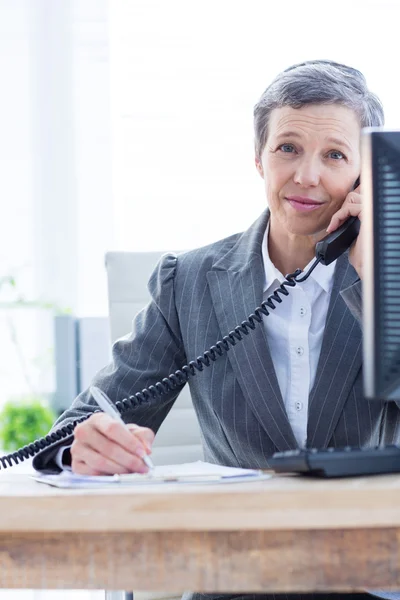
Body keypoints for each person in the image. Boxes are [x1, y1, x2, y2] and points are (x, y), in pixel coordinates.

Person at [33, 60, 399, 600]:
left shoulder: (388, 280)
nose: (307, 176)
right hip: (235, 575)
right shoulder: (189, 281)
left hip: (368, 572)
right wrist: (83, 449)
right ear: (259, 159)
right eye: (288, 148)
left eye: (336, 156)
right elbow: (84, 422)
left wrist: (381, 274)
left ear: (364, 175)